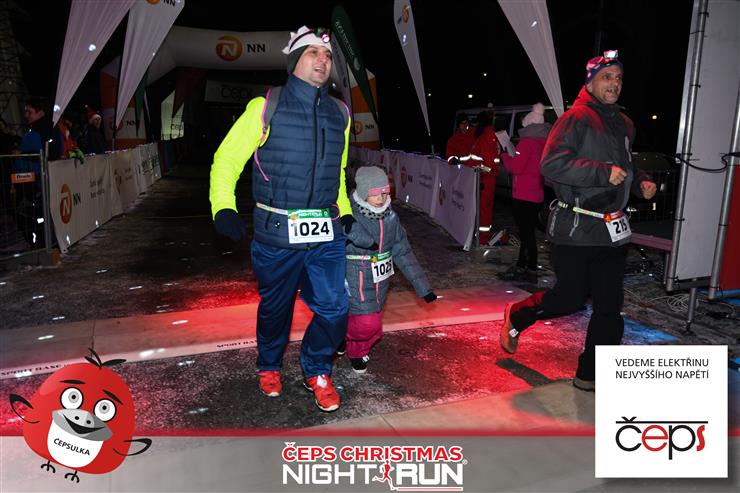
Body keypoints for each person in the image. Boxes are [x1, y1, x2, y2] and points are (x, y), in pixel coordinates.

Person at [209, 26, 354, 412]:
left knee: (336, 308)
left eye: (327, 55)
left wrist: (346, 212)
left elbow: (338, 173)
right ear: (294, 62)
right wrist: (223, 206)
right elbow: (227, 160)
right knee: (277, 308)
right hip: (277, 232)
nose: (323, 60)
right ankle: (270, 365)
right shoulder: (265, 106)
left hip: (325, 232)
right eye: (313, 53)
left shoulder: (340, 113)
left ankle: (317, 369)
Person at [499, 51, 657, 392]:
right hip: (577, 227)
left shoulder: (624, 123)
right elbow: (551, 165)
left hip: (612, 230)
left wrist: (640, 181)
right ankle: (518, 315)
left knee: (609, 307)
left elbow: (626, 164)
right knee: (569, 299)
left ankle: (590, 373)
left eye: (618, 78)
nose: (614, 84)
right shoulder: (575, 119)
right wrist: (601, 173)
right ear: (590, 82)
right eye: (606, 77)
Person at [343, 166, 437, 373]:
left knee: (370, 323)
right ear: (363, 192)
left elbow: (403, 252)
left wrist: (424, 288)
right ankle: (344, 340)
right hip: (355, 278)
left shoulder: (391, 218)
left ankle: (356, 349)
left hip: (381, 283)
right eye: (375, 193)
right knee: (368, 324)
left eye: (385, 193)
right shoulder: (349, 215)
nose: (381, 198)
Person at [498, 103, 552, 283]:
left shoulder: (527, 142)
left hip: (523, 195)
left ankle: (531, 268)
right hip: (536, 194)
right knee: (528, 232)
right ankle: (523, 265)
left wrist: (505, 156)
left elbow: (516, 167)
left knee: (526, 234)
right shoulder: (543, 142)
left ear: (528, 124)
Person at [12, 97, 63, 248]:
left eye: (29, 112)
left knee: (35, 216)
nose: (26, 115)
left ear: (40, 112)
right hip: (39, 182)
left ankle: (43, 245)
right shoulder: (48, 129)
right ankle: (46, 243)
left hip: (35, 184)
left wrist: (20, 155)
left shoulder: (39, 132)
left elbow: (47, 155)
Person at [470, 110, 501, 245]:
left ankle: (482, 238)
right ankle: (482, 236)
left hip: (485, 179)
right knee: (485, 209)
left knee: (484, 209)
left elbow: (487, 163)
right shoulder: (490, 135)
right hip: (486, 178)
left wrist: (482, 173)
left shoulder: (486, 137)